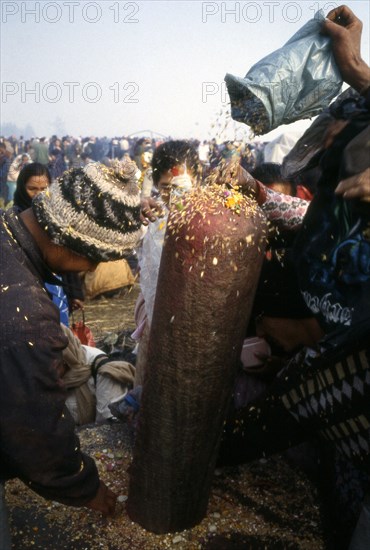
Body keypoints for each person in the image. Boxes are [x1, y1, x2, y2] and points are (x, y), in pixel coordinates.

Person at [0, 160, 142, 549]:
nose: (93, 267)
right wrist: (84, 486)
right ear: (64, 236)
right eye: (93, 257)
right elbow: (34, 429)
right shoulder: (24, 315)